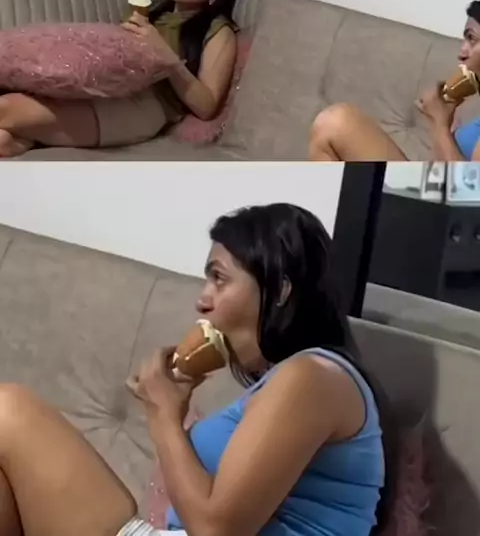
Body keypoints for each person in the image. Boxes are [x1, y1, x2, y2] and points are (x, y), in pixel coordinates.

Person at [0, 203, 396, 536]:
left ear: (279, 291)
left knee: (8, 410)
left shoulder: (312, 378)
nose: (202, 301)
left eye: (219, 279)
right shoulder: (296, 380)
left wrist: (164, 416)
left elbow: (216, 530)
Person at [0, 0, 242, 158]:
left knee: (6, 109)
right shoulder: (153, 15)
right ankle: (20, 142)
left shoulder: (219, 31)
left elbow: (207, 106)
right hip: (105, 89)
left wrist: (167, 58)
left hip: (143, 109)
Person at [309, 0, 480, 162]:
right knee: (330, 127)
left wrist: (440, 123)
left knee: (335, 123)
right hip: (428, 179)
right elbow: (440, 171)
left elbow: (469, 182)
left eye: (471, 38)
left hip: (435, 183)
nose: (462, 52)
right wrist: (444, 127)